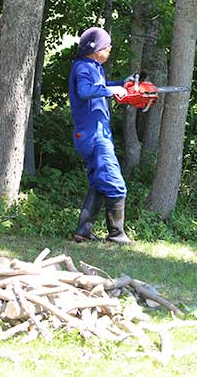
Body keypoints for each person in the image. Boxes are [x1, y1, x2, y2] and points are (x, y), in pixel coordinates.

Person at [68, 27, 132, 244]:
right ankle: (117, 234)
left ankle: (82, 232)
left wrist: (123, 84)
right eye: (107, 46)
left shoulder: (93, 67)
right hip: (93, 135)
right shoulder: (84, 68)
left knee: (98, 182)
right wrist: (111, 91)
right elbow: (86, 91)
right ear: (95, 49)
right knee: (115, 183)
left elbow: (101, 87)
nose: (110, 49)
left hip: (94, 133)